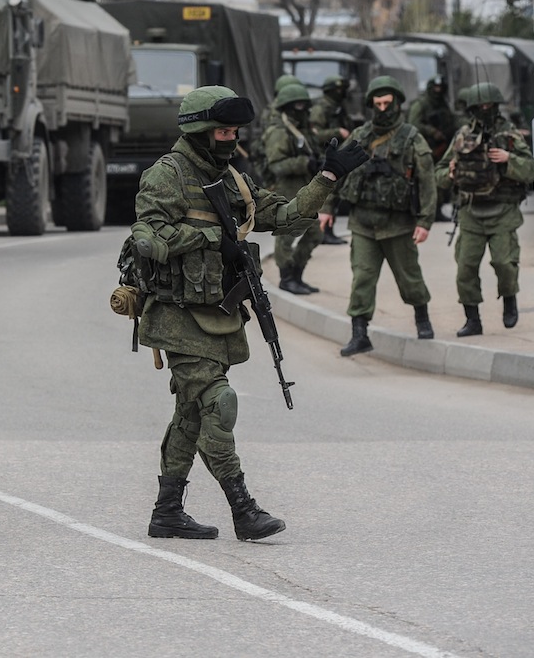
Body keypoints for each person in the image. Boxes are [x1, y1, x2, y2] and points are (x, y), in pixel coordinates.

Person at [129, 85, 369, 541]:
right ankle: (244, 509)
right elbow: (149, 238)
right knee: (219, 403)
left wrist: (329, 177)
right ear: (200, 131)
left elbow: (289, 218)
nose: (230, 139)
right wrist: (208, 237)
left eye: (235, 131)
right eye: (222, 130)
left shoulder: (234, 180)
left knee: (192, 415)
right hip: (177, 315)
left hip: (218, 314)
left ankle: (166, 512)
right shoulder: (167, 175)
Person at [334, 75, 438, 356]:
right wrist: (325, 209)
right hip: (363, 223)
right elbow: (335, 171)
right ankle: (359, 333)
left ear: (397, 103)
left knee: (409, 277)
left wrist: (425, 221)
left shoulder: (411, 137)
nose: (382, 108)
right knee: (362, 277)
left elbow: (427, 181)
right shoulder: (360, 136)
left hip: (398, 225)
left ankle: (422, 318)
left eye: (387, 103)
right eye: (377, 103)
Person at [436, 82, 534, 335]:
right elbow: (438, 173)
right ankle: (472, 319)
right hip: (471, 212)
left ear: (496, 105)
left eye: (489, 105)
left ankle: (509, 300)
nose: (485, 109)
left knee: (504, 263)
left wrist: (509, 159)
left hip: (502, 211)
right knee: (465, 268)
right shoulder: (462, 136)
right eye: (480, 105)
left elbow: (532, 169)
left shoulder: (510, 135)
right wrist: (448, 173)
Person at [261, 81, 324, 294]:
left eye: (304, 105)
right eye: (297, 106)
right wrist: (304, 164)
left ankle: (297, 274)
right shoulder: (279, 131)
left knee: (314, 234)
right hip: (287, 188)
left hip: (305, 187)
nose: (303, 110)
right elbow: (276, 164)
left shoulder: (302, 129)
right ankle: (286, 277)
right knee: (286, 236)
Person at [309, 74, 353, 245]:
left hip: (338, 156)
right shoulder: (320, 109)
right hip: (325, 157)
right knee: (327, 195)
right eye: (338, 90)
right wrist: (338, 132)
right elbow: (316, 136)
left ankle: (329, 230)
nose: (341, 93)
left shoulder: (339, 107)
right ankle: (323, 232)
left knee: (335, 196)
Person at [409, 74, 458, 221]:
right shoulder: (420, 104)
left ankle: (436, 209)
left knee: (439, 179)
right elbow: (413, 124)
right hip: (424, 148)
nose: (438, 91)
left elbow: (451, 121)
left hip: (440, 148)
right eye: (435, 88)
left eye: (440, 88)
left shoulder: (443, 104)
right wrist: (432, 131)